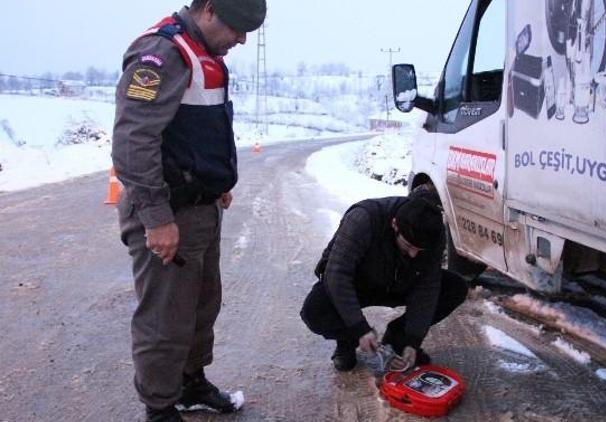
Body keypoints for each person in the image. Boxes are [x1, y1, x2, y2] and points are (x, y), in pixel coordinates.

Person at [112, 1, 265, 420]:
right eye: (238, 27)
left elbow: (199, 129)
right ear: (210, 9)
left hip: (201, 209)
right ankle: (160, 408)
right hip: (169, 213)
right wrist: (157, 219)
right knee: (165, 319)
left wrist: (217, 184)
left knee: (200, 307)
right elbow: (132, 142)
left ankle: (188, 383)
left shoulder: (206, 55)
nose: (242, 39)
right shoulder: (161, 54)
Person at [300, 190, 469, 371]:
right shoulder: (363, 219)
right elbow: (337, 275)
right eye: (408, 246)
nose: (414, 254)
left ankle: (397, 341)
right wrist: (359, 330)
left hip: (399, 282)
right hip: (358, 284)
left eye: (419, 250)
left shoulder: (433, 234)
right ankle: (347, 341)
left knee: (455, 287)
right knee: (314, 311)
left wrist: (412, 340)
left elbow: (427, 287)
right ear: (394, 224)